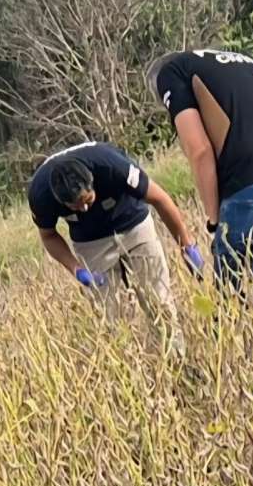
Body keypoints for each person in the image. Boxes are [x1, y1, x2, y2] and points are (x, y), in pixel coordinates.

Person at [146, 48, 253, 362]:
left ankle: (241, 392)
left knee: (237, 314)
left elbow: (199, 150)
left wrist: (215, 222)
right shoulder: (248, 62)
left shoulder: (172, 72)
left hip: (250, 195)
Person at [28, 141, 204, 355]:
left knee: (159, 303)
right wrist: (76, 270)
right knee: (110, 318)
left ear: (93, 183)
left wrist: (185, 244)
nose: (84, 208)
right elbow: (48, 236)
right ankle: (131, 368)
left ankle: (178, 359)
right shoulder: (40, 195)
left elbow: (160, 199)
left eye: (87, 200)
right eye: (75, 206)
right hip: (90, 243)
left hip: (134, 225)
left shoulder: (111, 166)